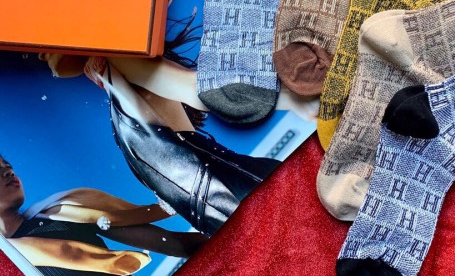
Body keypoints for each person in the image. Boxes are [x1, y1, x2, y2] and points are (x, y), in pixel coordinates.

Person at [38, 53, 286, 235]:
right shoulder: (112, 80)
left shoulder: (120, 61)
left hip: (248, 194)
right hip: (234, 214)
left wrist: (292, 100)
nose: (39, 54)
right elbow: (176, 193)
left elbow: (195, 89)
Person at [0, 156, 206, 276]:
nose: (8, 171)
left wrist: (224, 235)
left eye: (7, 165)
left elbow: (171, 243)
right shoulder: (6, 272)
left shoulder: (60, 212)